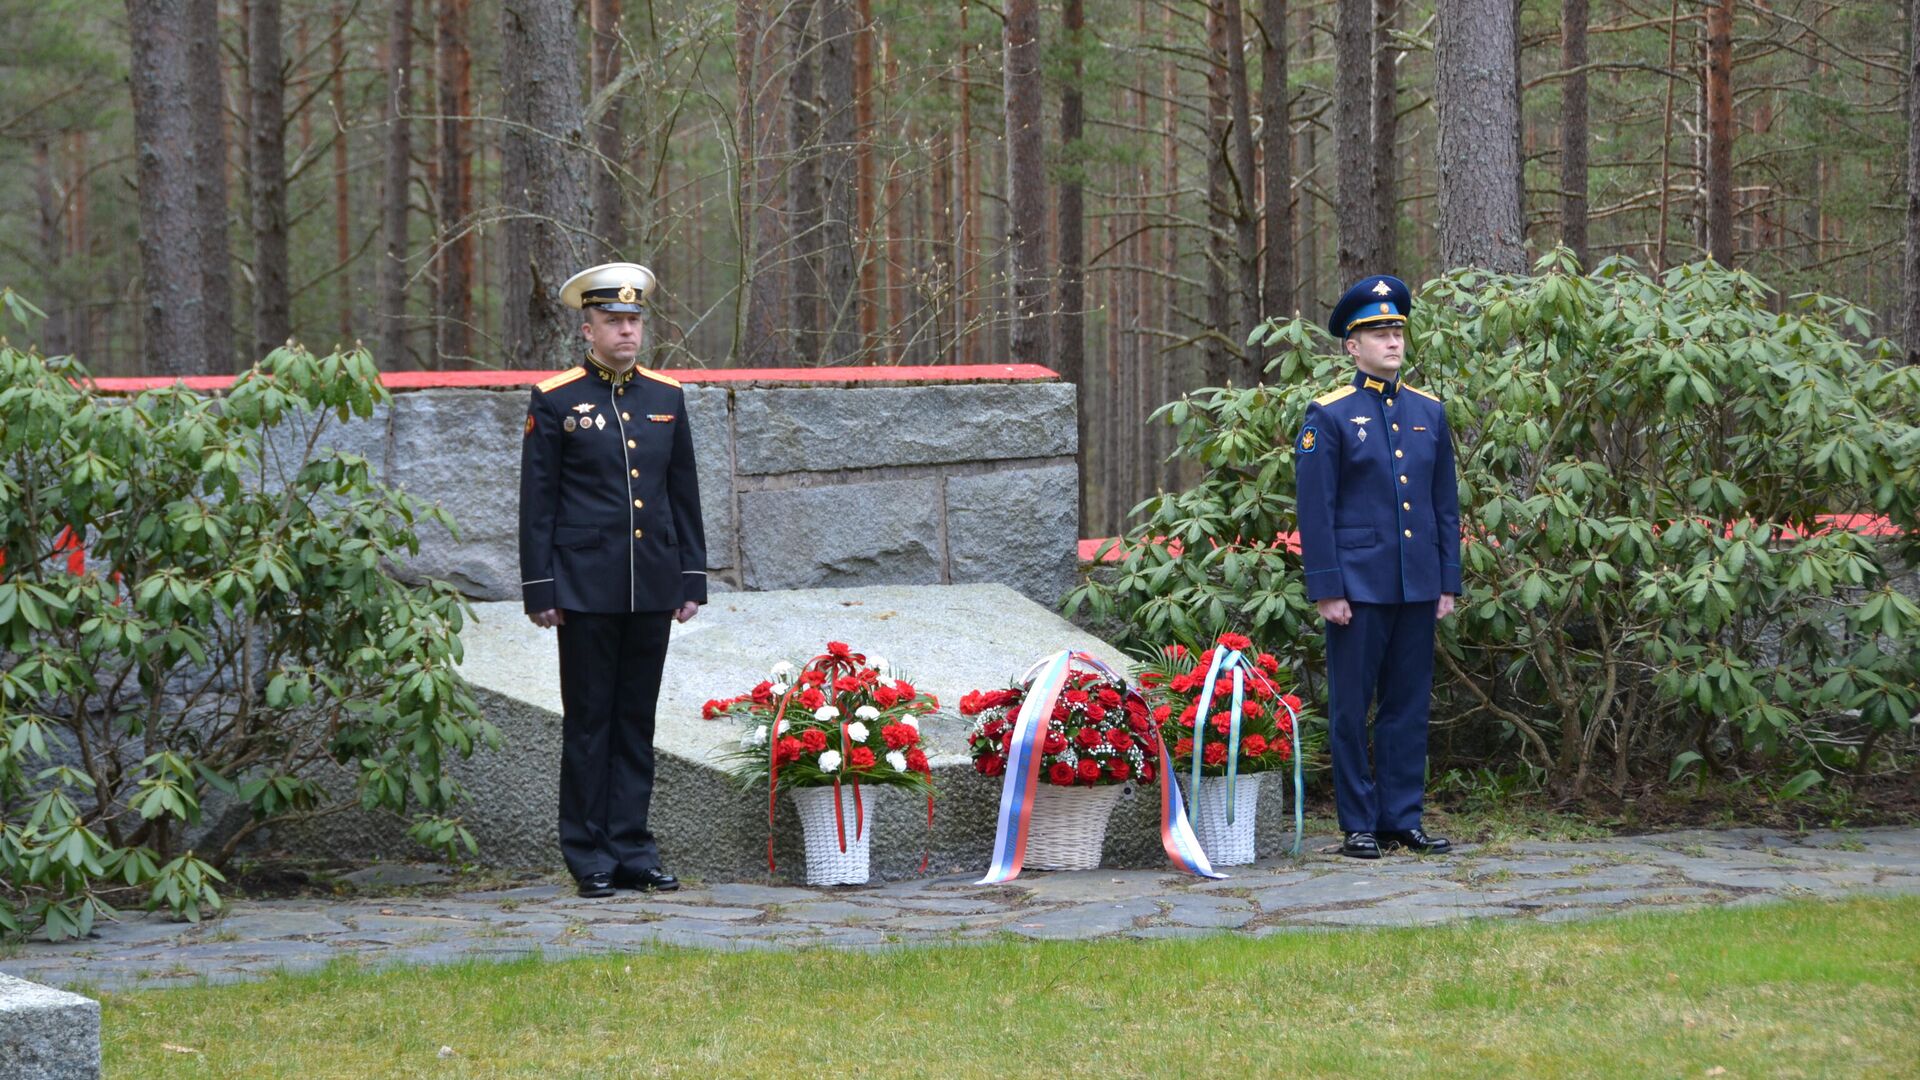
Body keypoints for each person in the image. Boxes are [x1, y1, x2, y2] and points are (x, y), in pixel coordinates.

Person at [518, 262, 708, 897]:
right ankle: (588, 854)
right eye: (614, 321)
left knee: (636, 721)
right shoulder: (555, 398)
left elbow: (683, 493)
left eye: (634, 320)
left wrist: (691, 578)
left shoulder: (666, 397)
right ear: (587, 328)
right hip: (584, 588)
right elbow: (537, 502)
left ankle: (632, 848)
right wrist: (540, 589)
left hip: (651, 584)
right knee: (590, 722)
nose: (627, 331)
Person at [1293, 274, 1460, 859]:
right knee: (1349, 707)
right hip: (1357, 588)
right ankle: (1358, 822)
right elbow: (1316, 510)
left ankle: (1400, 817)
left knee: (1408, 706)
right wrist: (1327, 588)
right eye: (1378, 332)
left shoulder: (1429, 412)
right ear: (1351, 346)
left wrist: (1447, 581)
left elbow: (1444, 505)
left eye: (1397, 330)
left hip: (1417, 584)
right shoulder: (1331, 414)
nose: (1392, 341)